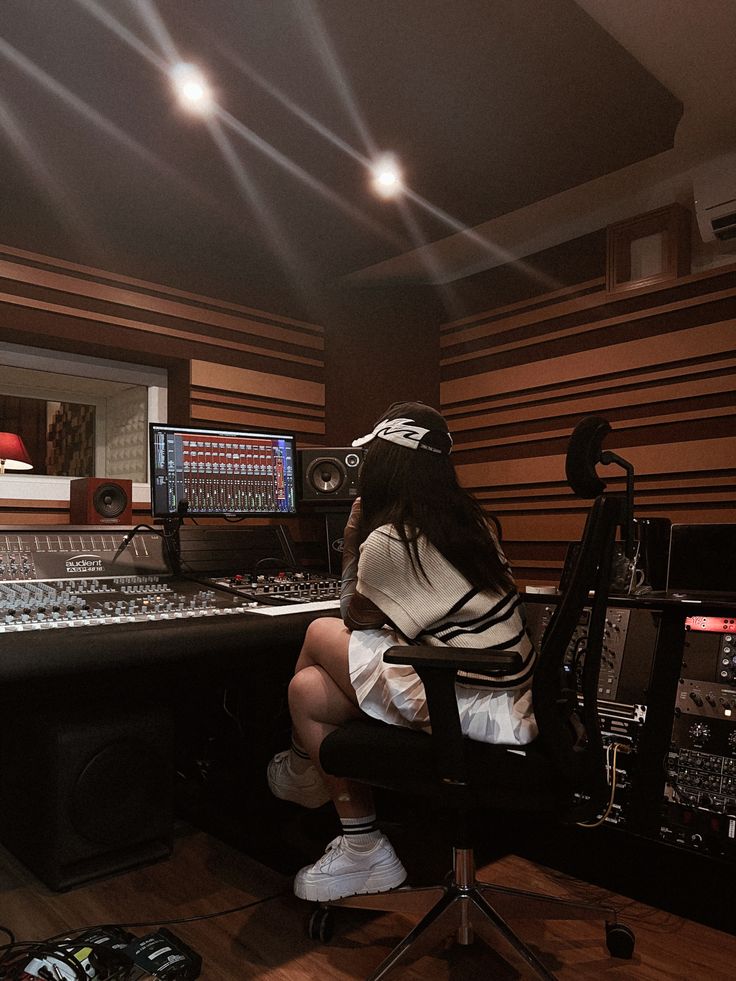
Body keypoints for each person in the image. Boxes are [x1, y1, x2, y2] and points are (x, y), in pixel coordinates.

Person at [267, 401, 537, 903]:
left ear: (386, 466)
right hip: (502, 690)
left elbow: (356, 615)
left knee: (318, 632)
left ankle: (307, 772)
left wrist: (352, 538)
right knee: (306, 690)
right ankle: (360, 843)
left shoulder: (393, 539)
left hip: (461, 695)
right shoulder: (471, 521)